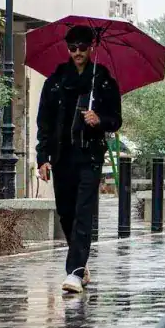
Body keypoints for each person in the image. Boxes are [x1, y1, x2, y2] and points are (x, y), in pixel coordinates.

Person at [36, 25, 122, 293]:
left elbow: (116, 120)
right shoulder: (56, 81)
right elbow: (44, 124)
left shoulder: (104, 81)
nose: (77, 53)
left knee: (84, 212)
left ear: (91, 47)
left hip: (90, 156)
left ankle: (73, 272)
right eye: (72, 48)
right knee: (66, 212)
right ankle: (80, 264)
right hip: (62, 157)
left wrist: (99, 120)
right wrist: (42, 158)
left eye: (82, 47)